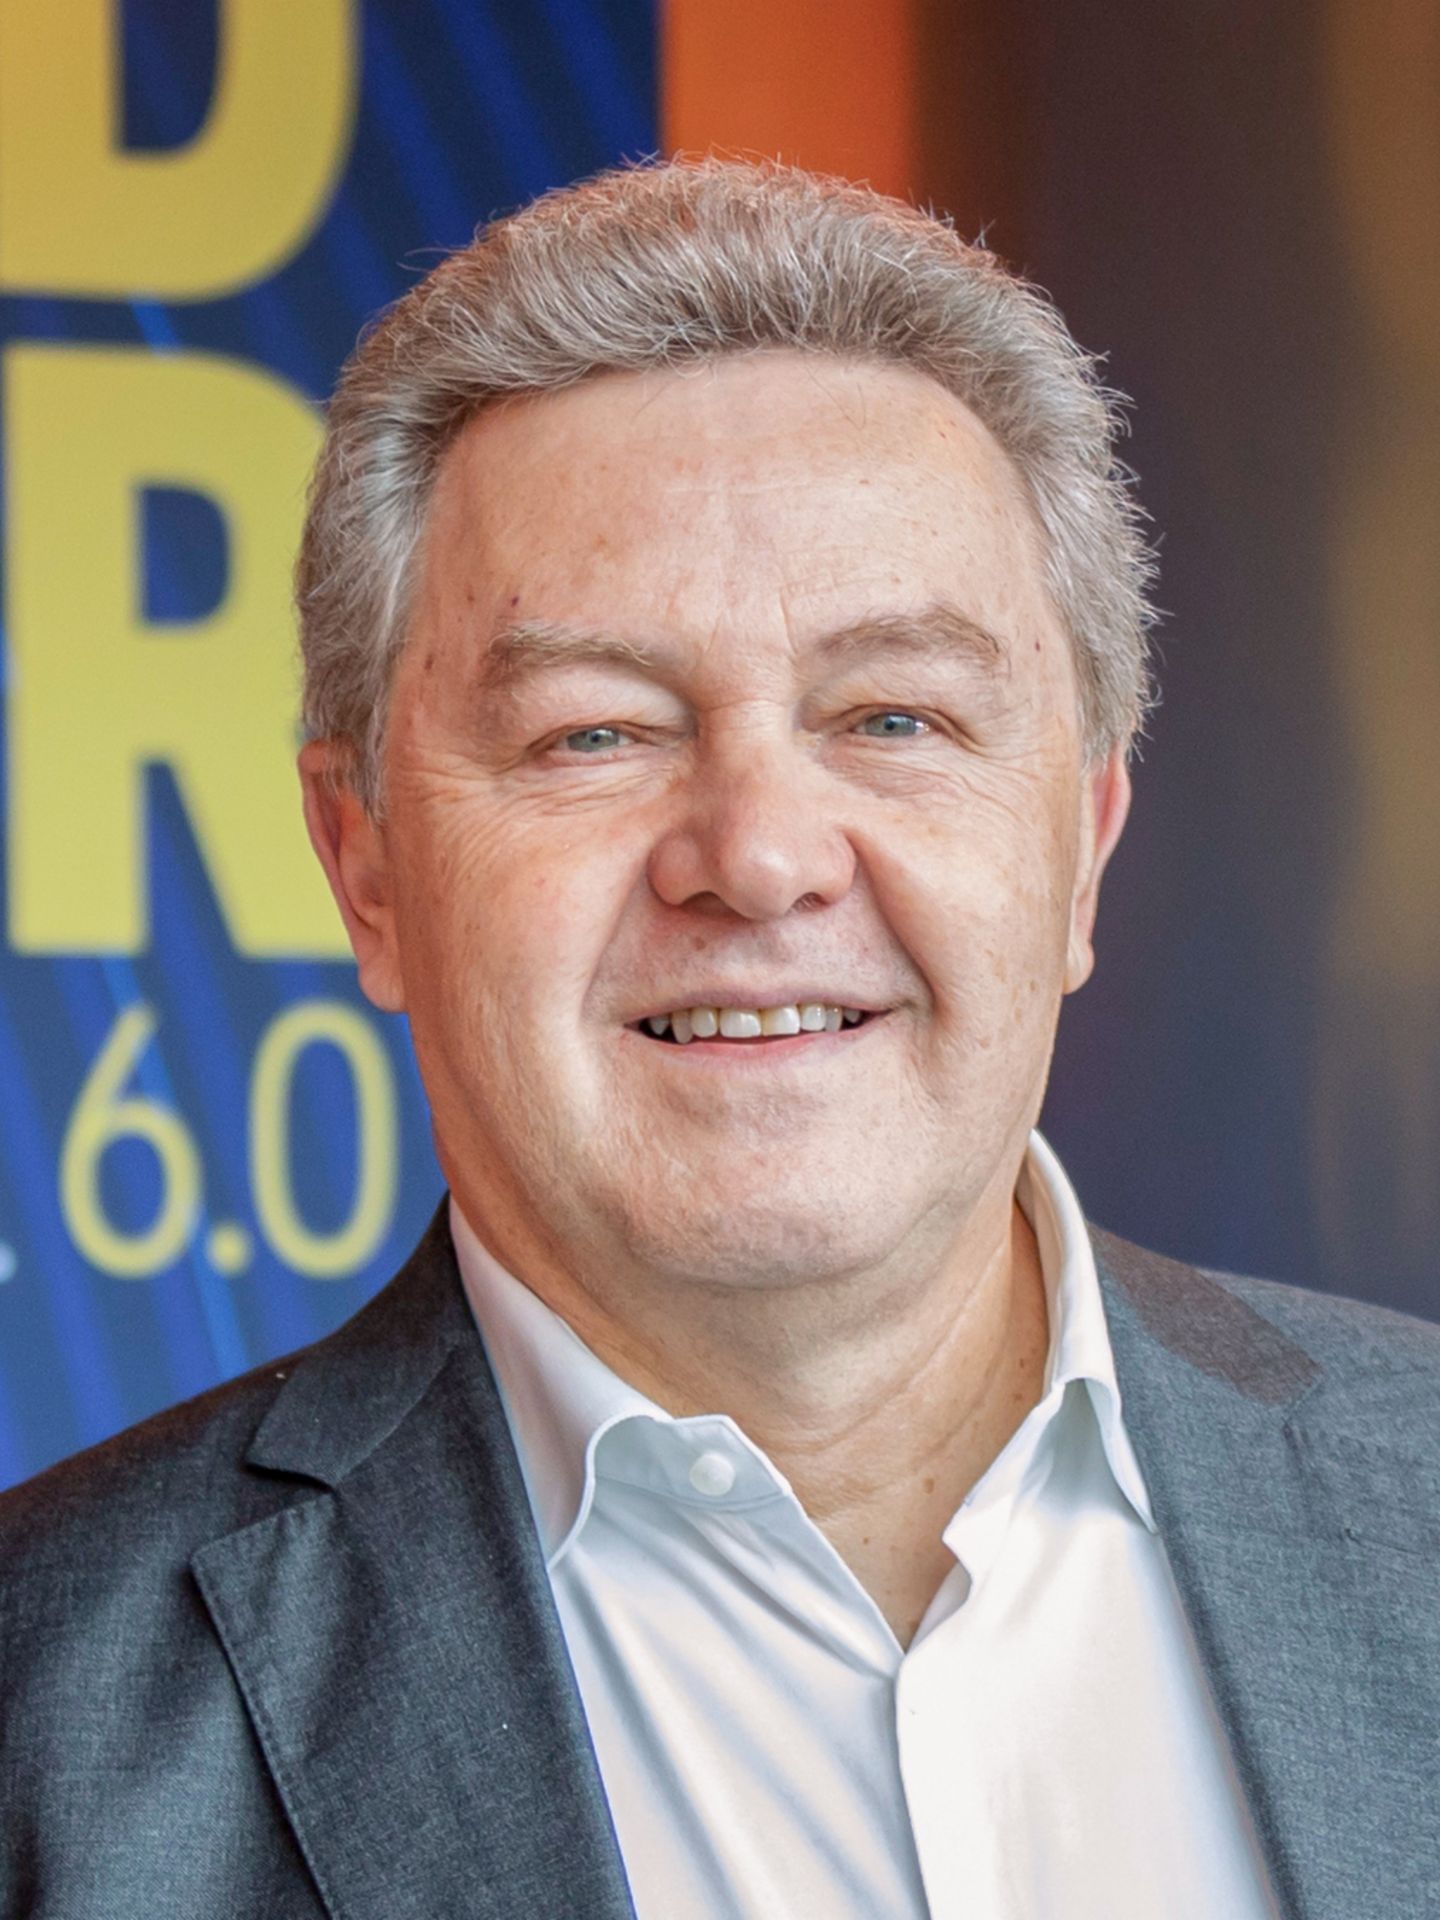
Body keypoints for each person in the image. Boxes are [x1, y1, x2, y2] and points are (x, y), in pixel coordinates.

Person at [1, 159, 1435, 1920]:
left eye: (893, 716)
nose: (757, 856)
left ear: (1083, 845)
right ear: (364, 868)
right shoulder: (43, 1727)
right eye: (595, 734)